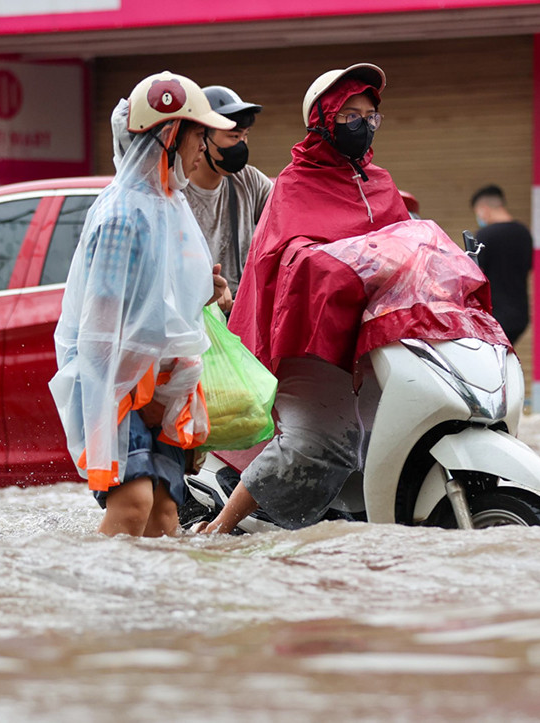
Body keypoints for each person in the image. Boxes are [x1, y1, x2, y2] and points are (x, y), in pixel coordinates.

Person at [199, 64, 413, 534]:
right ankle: (217, 529)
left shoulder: (379, 183)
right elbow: (284, 260)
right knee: (318, 439)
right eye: (349, 114)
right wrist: (327, 264)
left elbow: (403, 248)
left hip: (372, 335)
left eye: (370, 115)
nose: (364, 123)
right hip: (307, 337)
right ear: (324, 119)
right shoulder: (294, 186)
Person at [49, 71, 235, 538]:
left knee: (166, 513)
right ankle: (102, 601)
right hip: (118, 383)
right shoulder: (122, 214)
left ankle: (158, 607)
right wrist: (138, 396)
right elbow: (103, 328)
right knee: (133, 502)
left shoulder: (170, 205)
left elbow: (165, 307)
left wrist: (205, 292)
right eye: (199, 135)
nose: (204, 149)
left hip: (157, 385)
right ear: (170, 135)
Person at [184, 86, 274, 313]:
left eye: (245, 136)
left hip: (241, 316)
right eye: (234, 136)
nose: (242, 145)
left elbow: (286, 217)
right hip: (195, 318)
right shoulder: (176, 189)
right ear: (202, 138)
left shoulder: (248, 180)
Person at [469, 184, 534, 342]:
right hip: (520, 316)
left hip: (495, 317)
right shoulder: (524, 233)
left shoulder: (485, 236)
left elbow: (473, 274)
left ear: (484, 209)